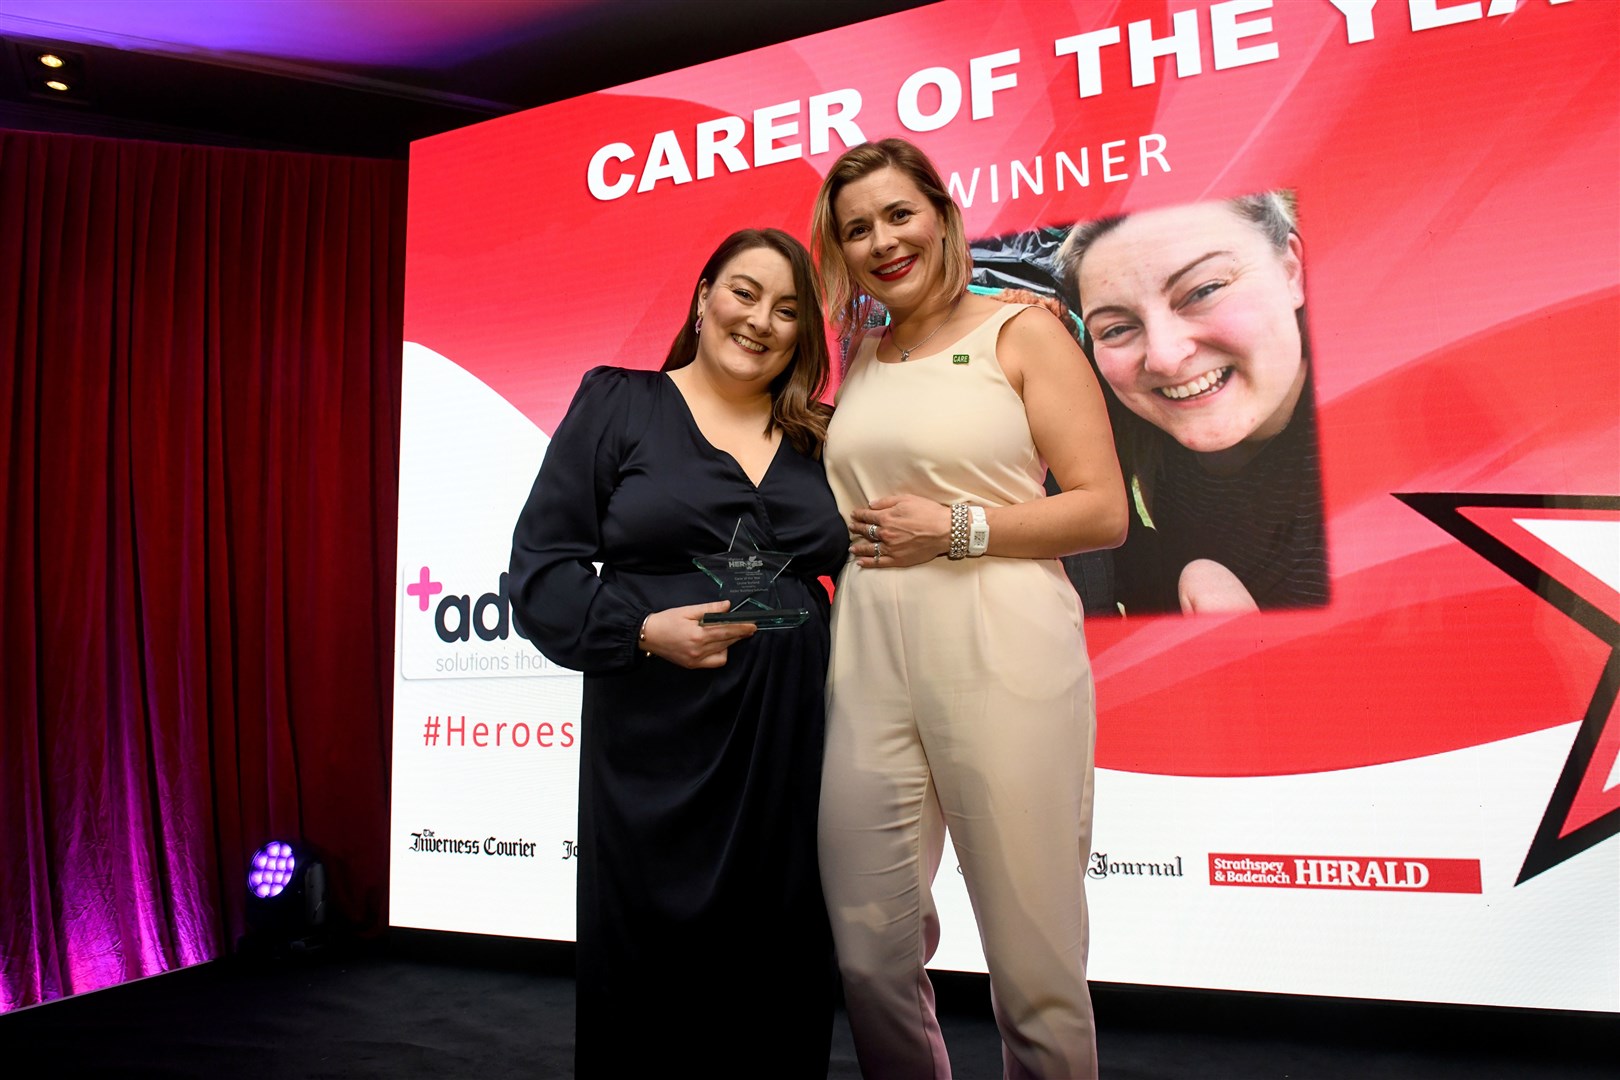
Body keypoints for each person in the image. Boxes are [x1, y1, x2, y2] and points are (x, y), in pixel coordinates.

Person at [810, 138, 1127, 1079]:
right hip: (869, 659)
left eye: (898, 215)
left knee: (1035, 968)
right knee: (869, 955)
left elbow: (1103, 510)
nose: (881, 241)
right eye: (856, 228)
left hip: (1006, 646)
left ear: (943, 216)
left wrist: (955, 529)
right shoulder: (859, 355)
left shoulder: (1022, 329)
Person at [508, 228, 845, 1077]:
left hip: (790, 752)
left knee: (779, 971)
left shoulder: (821, 439)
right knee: (650, 976)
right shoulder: (620, 403)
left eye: (787, 309)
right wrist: (640, 631)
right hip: (657, 751)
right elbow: (541, 570)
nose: (761, 320)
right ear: (701, 299)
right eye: (743, 292)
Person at [1055, 194, 1328, 615]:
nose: (1164, 357)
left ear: (1291, 270)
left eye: (1204, 290)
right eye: (1117, 328)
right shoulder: (1128, 420)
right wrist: (1192, 575)